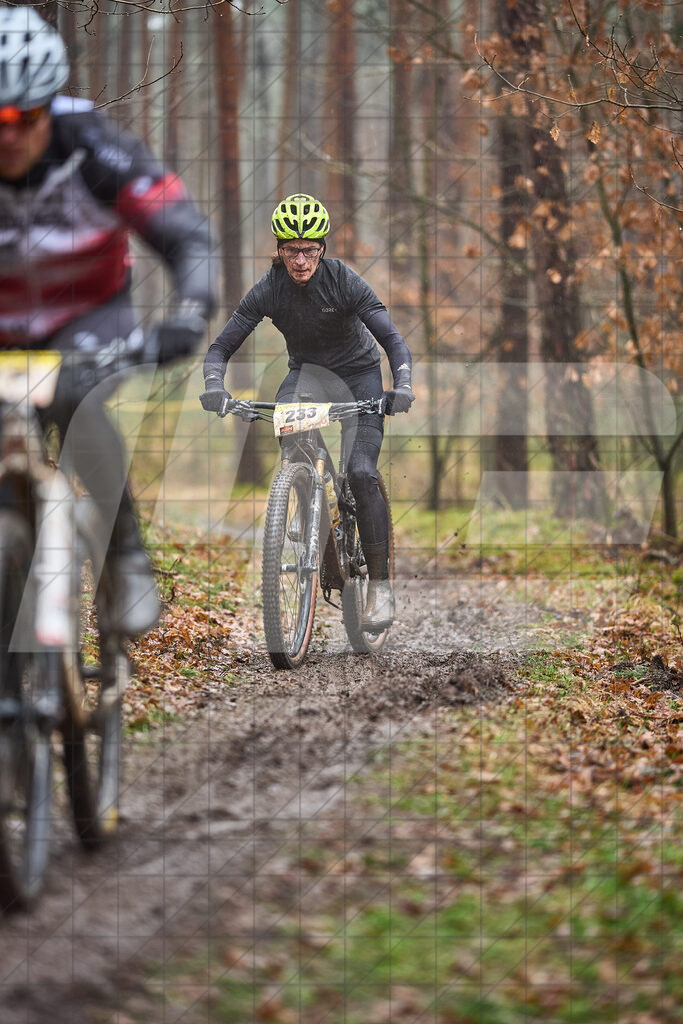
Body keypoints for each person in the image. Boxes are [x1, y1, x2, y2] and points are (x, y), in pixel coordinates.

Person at [0, 6, 216, 634]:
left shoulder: (98, 148)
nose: (10, 135)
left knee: (79, 398)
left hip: (86, 315)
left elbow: (187, 236)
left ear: (50, 106)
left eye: (27, 118)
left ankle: (125, 553)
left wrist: (189, 314)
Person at [200, 193, 414, 632]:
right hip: (308, 377)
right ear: (278, 250)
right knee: (289, 428)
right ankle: (307, 491)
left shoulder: (343, 281)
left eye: (310, 250)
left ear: (322, 248)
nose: (300, 260)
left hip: (359, 377)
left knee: (360, 473)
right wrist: (214, 386)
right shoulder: (269, 288)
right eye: (291, 250)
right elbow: (221, 346)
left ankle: (380, 589)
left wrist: (403, 385)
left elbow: (392, 340)